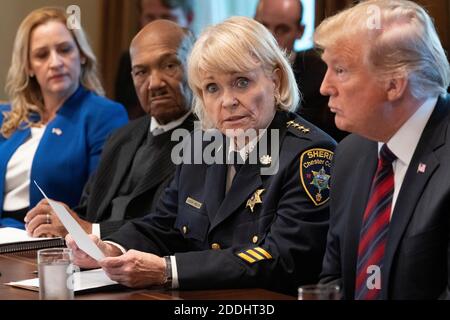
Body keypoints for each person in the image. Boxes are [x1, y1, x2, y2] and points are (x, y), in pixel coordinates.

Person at [67, 16, 336, 295]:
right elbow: (164, 225)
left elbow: (284, 259)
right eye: (212, 88)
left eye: (242, 82)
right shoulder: (201, 146)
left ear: (275, 80)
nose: (227, 101)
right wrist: (109, 248)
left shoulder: (310, 154)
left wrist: (168, 270)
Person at [316, 0, 450, 299]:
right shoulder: (350, 153)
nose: (325, 86)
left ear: (394, 84)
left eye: (340, 70)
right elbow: (334, 279)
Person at [24, 20, 196, 238]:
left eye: (169, 66)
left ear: (195, 65)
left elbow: (175, 228)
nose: (154, 84)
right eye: (141, 72)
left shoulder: (208, 140)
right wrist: (57, 222)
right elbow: (88, 211)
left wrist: (88, 230)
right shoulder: (121, 137)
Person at [0, 7, 128, 229]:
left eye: (65, 49)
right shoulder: (9, 117)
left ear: (82, 56)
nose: (55, 62)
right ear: (29, 67)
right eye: (42, 55)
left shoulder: (104, 115)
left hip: (50, 242)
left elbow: (101, 204)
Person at [255, 0, 348, 142]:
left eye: (282, 29)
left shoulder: (322, 75)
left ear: (301, 31)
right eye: (263, 27)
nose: (270, 39)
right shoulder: (234, 70)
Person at [115, 0, 193, 120]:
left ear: (189, 18)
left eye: (169, 66)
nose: (157, 25)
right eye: (150, 17)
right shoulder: (128, 61)